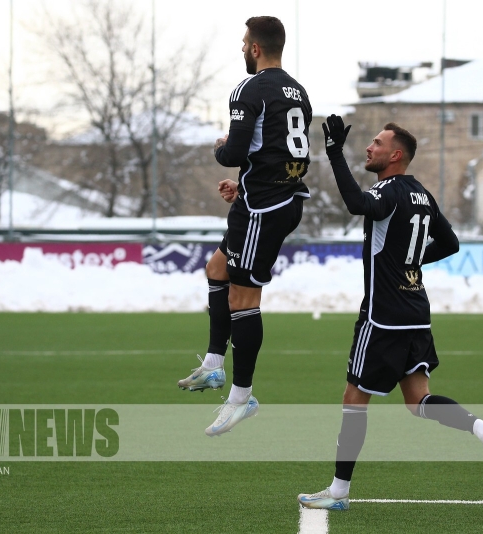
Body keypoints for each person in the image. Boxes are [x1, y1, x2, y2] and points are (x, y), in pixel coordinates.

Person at [297, 116, 483, 511]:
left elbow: (357, 204)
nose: (369, 147)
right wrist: (409, 262)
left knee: (354, 398)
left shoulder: (389, 190)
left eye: (377, 143)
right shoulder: (421, 194)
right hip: (416, 312)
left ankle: (339, 492)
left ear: (396, 155)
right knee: (417, 400)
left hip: (383, 315)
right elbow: (450, 242)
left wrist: (334, 153)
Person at [176, 16, 312, 437]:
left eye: (243, 43)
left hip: (263, 209)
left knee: (243, 298)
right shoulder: (299, 92)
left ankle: (241, 398)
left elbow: (235, 151)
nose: (242, 49)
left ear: (255, 48)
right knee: (216, 269)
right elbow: (282, 153)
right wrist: (245, 183)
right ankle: (214, 365)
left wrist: (221, 149)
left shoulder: (248, 89)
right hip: (274, 198)